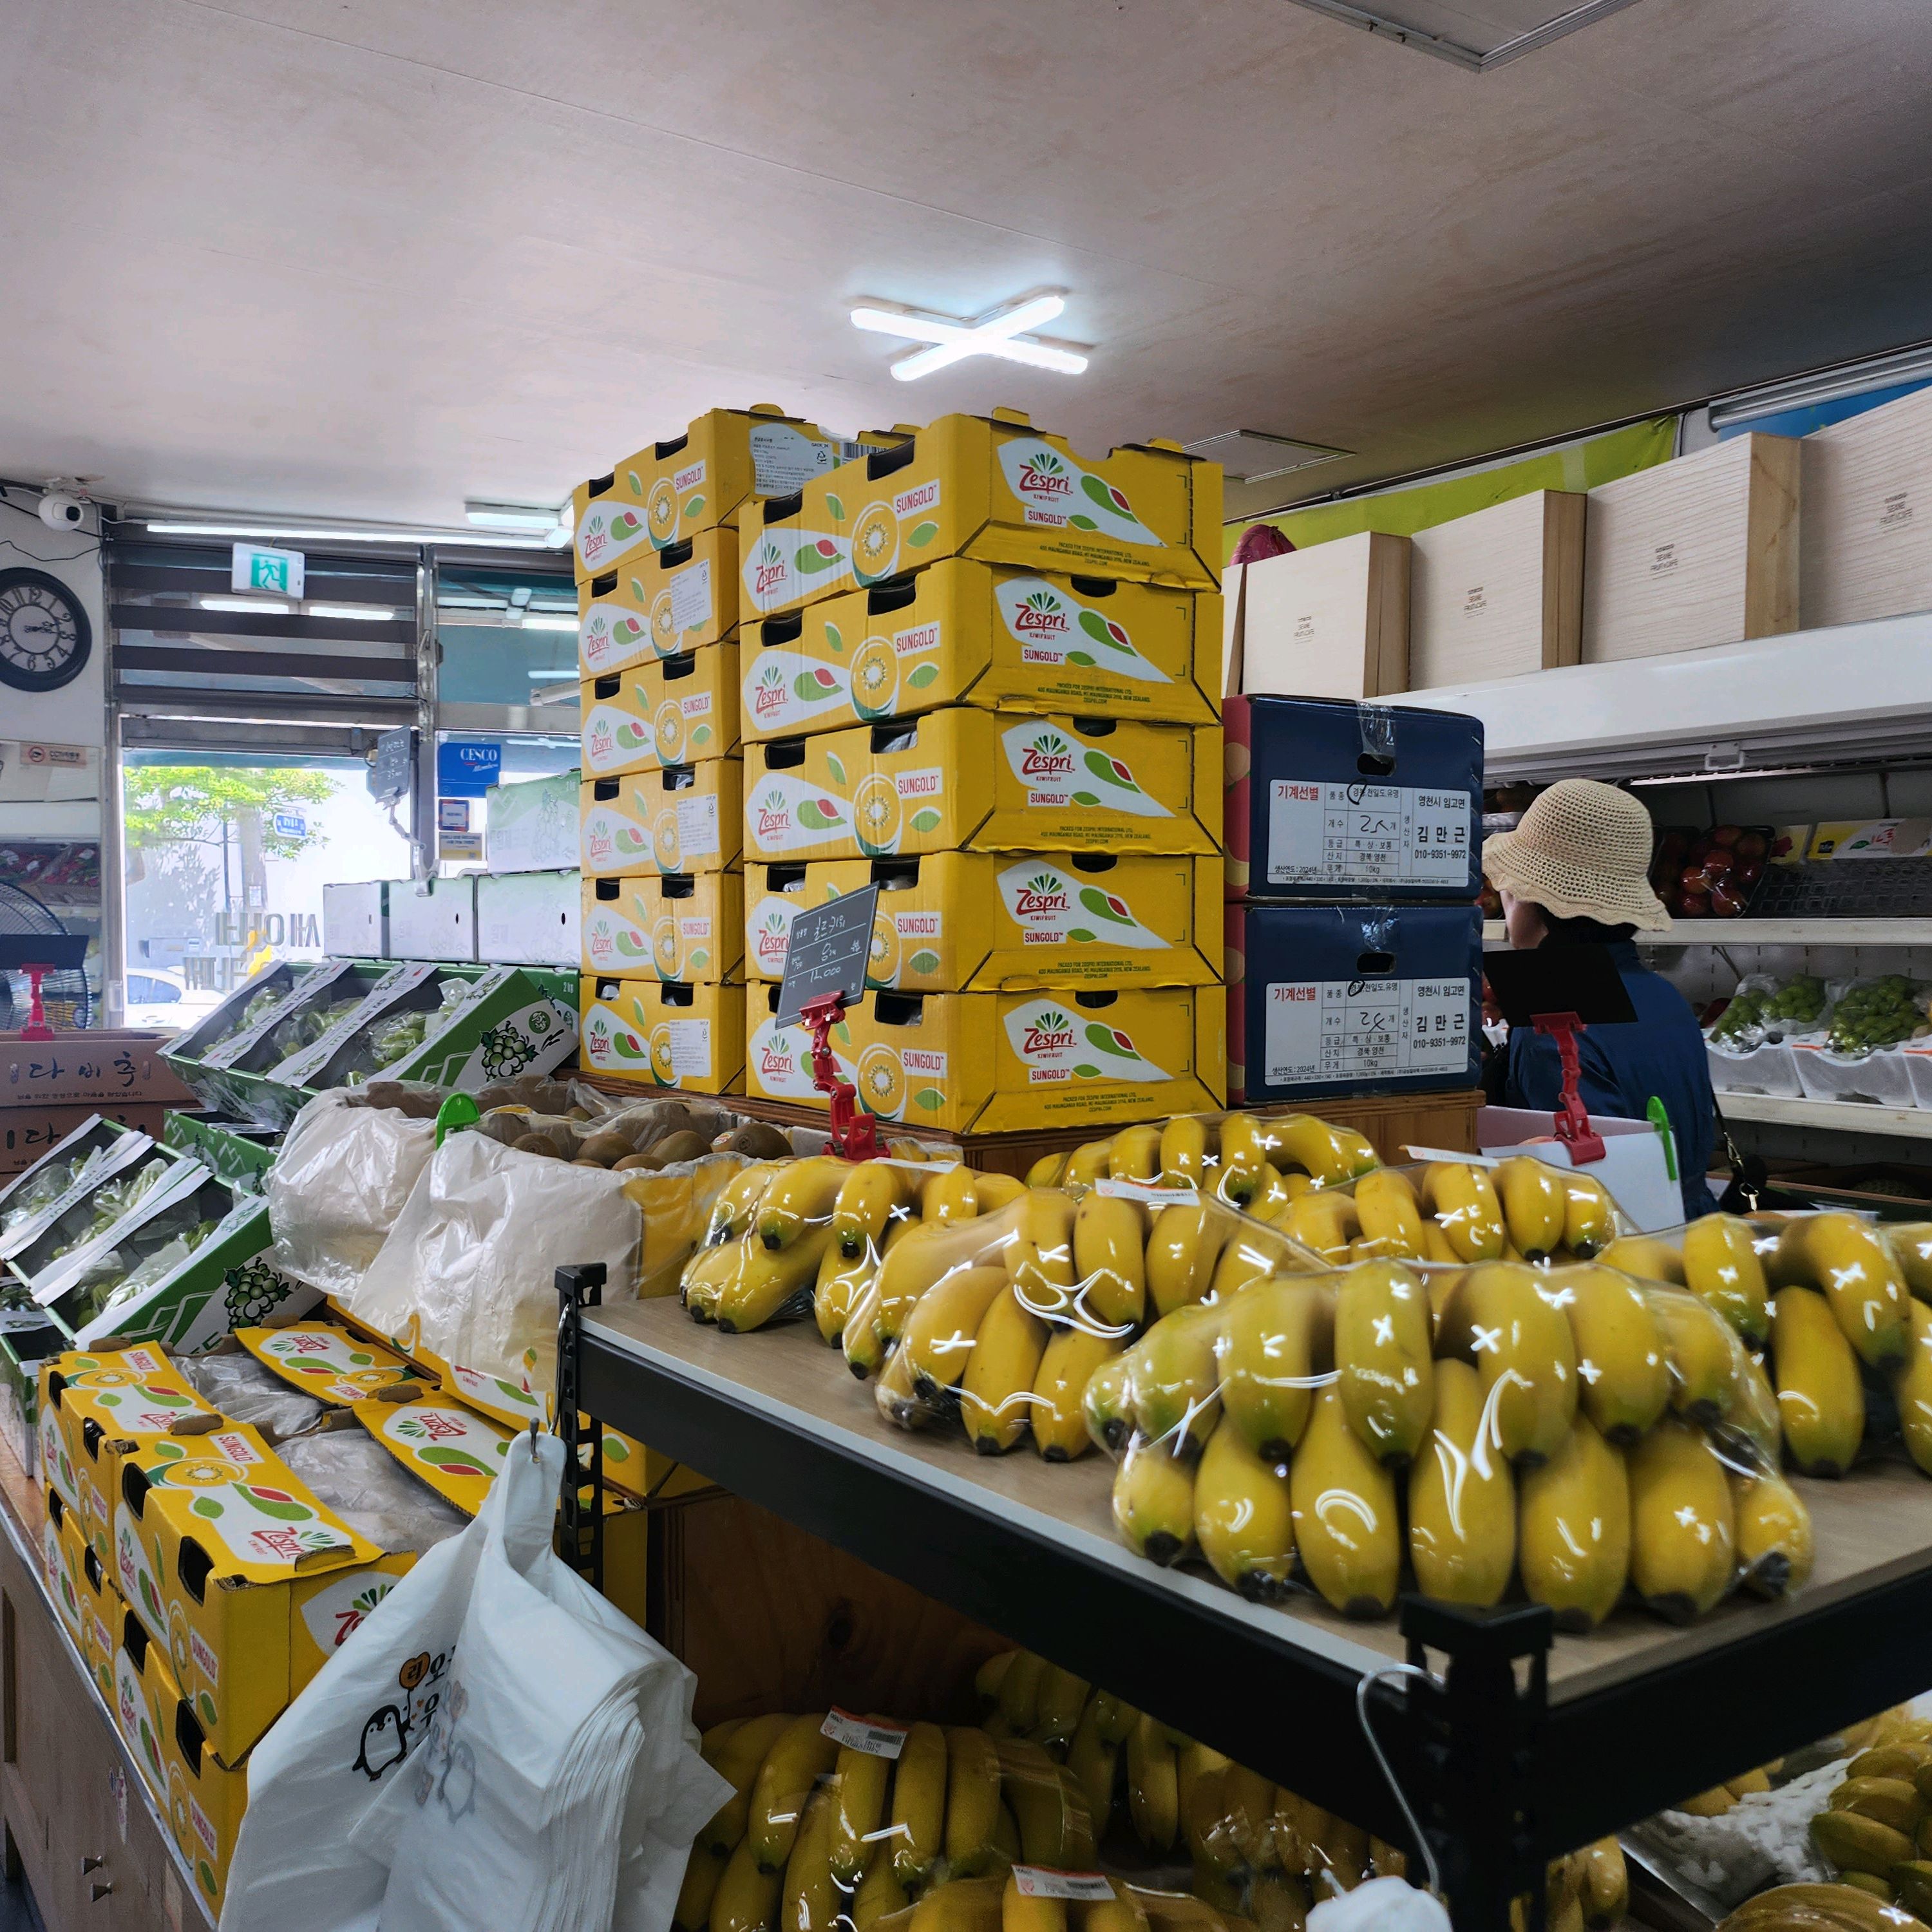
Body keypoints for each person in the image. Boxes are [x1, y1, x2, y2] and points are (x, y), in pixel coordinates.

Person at [1481, 779, 1718, 1221]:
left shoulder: (1552, 1008)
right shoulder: (1662, 994)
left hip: (1618, 1257)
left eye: (1510, 893)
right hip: (1690, 1235)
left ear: (1537, 903)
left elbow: (1574, 1186)